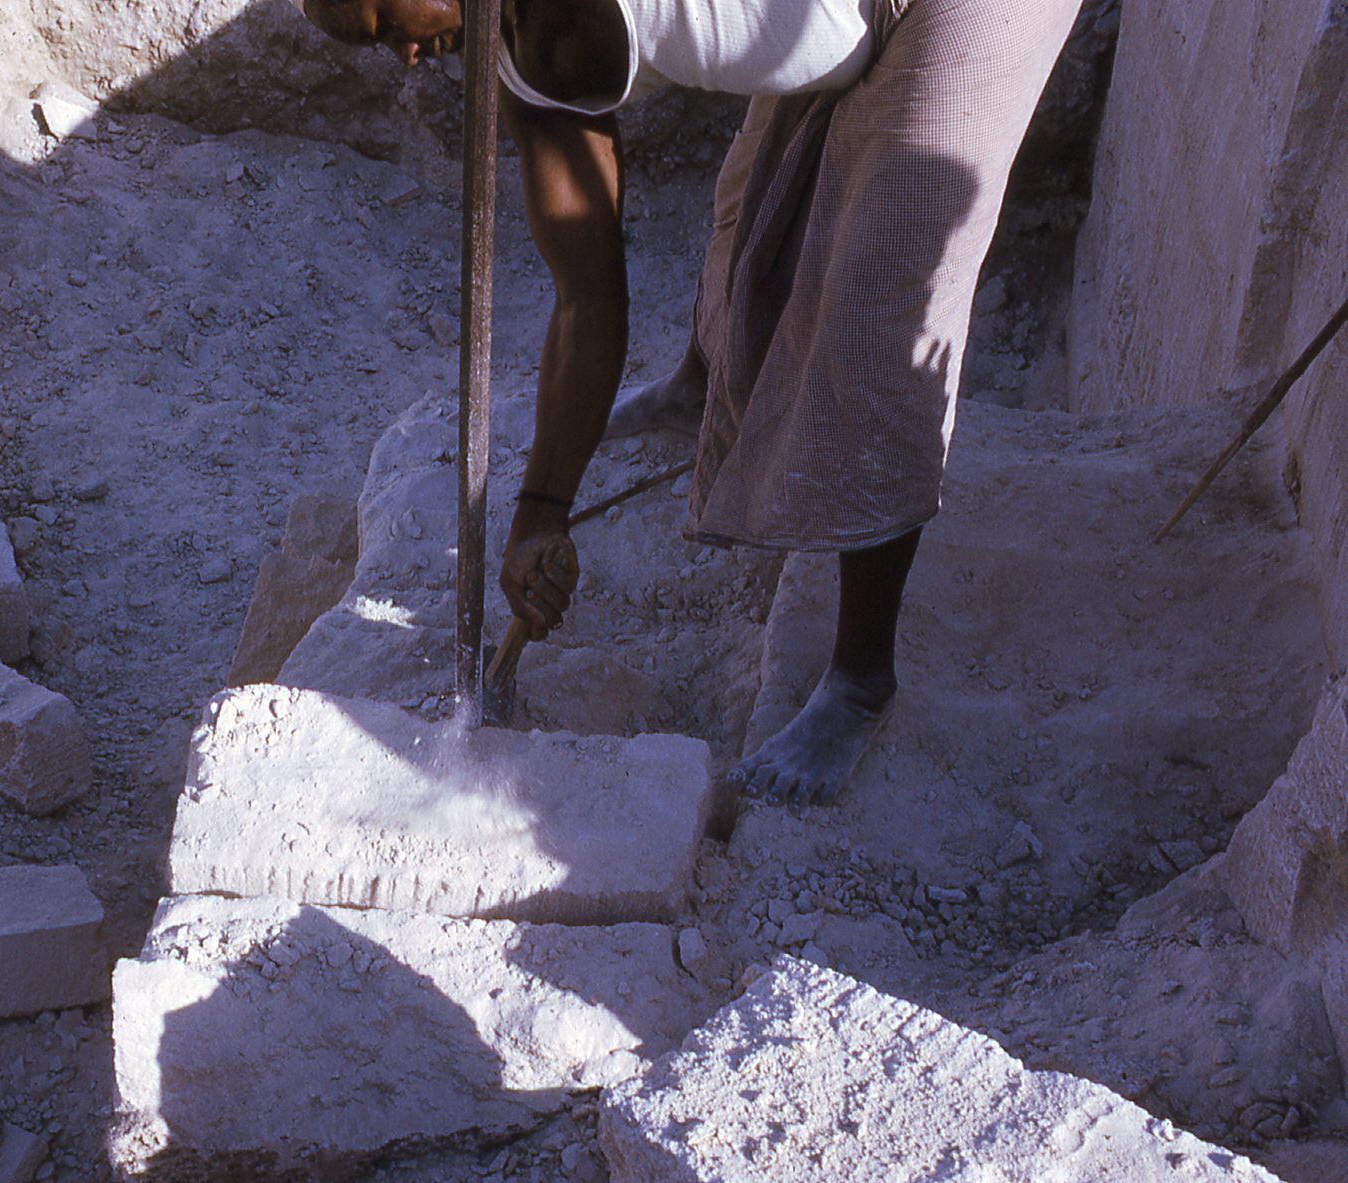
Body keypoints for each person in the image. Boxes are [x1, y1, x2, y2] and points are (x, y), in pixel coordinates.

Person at [294, 0, 1078, 806]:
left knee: (880, 310)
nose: (407, 57)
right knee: (753, 196)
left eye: (387, 25)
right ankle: (706, 386)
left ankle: (858, 680)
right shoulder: (522, 52)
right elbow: (586, 296)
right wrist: (540, 512)